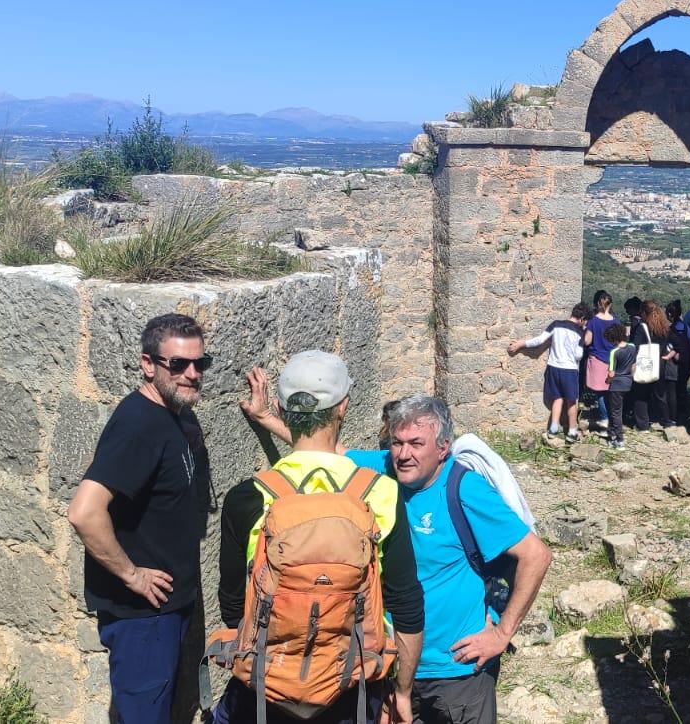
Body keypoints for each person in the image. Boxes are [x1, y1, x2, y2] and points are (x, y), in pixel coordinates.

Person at [214, 353, 423, 724]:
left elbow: (233, 606)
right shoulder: (380, 494)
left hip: (266, 692)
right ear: (343, 407)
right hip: (352, 689)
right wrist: (402, 691)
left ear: (280, 407)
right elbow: (405, 607)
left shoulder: (247, 497)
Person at [354, 397, 554, 724]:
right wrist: (267, 418)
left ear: (444, 447)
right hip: (394, 664)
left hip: (458, 670)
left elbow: (537, 555)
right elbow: (323, 454)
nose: (404, 454)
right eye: (397, 442)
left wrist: (502, 633)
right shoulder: (384, 469)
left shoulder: (465, 489)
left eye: (417, 444)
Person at [67, 313, 213, 724]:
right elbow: (83, 512)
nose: (191, 374)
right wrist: (132, 575)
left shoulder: (173, 417)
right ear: (148, 364)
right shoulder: (138, 425)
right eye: (178, 364)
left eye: (200, 364)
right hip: (142, 620)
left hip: (166, 613)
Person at [506, 302, 591, 440]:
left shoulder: (556, 324)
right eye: (585, 321)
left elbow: (539, 340)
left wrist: (521, 344)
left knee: (557, 398)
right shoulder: (580, 332)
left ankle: (553, 429)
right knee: (571, 401)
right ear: (582, 318)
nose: (584, 324)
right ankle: (572, 432)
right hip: (569, 370)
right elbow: (578, 355)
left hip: (553, 367)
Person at [635, 301, 678, 429]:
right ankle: (666, 420)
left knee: (641, 394)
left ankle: (643, 425)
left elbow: (636, 347)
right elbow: (677, 343)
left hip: (645, 363)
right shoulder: (664, 327)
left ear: (643, 312)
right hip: (660, 364)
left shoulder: (642, 327)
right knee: (660, 394)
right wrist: (668, 355)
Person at [582, 291, 617, 426]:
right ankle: (613, 418)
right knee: (610, 391)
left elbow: (587, 341)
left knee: (600, 392)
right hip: (613, 360)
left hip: (597, 359)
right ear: (610, 305)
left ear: (597, 304)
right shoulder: (616, 321)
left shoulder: (593, 321)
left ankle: (604, 418)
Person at [603, 324, 634, 449]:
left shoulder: (614, 352)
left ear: (613, 338)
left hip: (616, 384)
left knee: (615, 412)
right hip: (629, 382)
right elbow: (634, 366)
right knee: (622, 410)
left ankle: (619, 439)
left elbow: (611, 373)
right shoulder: (632, 347)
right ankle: (615, 432)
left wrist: (607, 381)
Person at [667, 299, 690, 418]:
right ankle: (683, 412)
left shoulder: (670, 329)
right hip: (686, 361)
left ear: (669, 314)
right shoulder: (685, 327)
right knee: (682, 388)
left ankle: (674, 414)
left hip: (674, 363)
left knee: (673, 390)